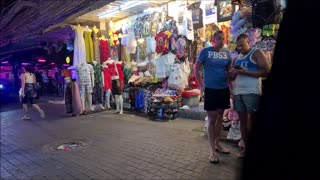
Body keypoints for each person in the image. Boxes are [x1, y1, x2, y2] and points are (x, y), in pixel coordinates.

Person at [229, 33, 271, 158]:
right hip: (238, 92)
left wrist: (245, 72)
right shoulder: (236, 58)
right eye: (238, 46)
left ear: (249, 42)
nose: (240, 48)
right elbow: (232, 77)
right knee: (242, 122)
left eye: (242, 45)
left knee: (252, 121)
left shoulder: (256, 52)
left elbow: (266, 71)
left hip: (252, 92)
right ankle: (245, 148)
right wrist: (232, 73)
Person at [194, 30, 232, 164]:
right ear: (213, 39)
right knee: (211, 118)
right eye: (220, 39)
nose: (222, 41)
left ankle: (217, 144)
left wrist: (231, 88)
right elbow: (196, 68)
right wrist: (201, 85)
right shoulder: (205, 51)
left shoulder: (227, 53)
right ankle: (212, 151)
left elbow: (229, 72)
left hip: (223, 89)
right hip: (210, 89)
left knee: (220, 118)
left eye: (224, 38)